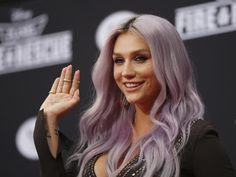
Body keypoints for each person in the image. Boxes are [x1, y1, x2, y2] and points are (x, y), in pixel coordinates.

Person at [34, 14, 236, 177]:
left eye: (140, 58)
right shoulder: (99, 142)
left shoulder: (193, 139)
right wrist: (47, 120)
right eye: (119, 60)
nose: (126, 72)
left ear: (168, 63)